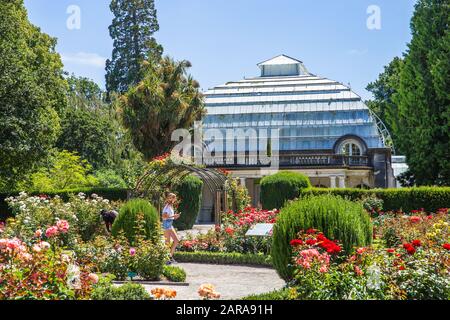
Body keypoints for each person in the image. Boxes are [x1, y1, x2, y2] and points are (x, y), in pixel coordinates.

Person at [162, 193, 181, 264]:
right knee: (167, 243)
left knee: (176, 240)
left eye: (174, 198)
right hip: (166, 225)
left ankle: (169, 257)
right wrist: (173, 216)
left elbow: (169, 216)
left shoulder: (170, 206)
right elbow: (164, 217)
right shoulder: (167, 207)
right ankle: (166, 260)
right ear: (170, 199)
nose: (174, 200)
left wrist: (174, 216)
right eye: (173, 198)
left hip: (170, 225)